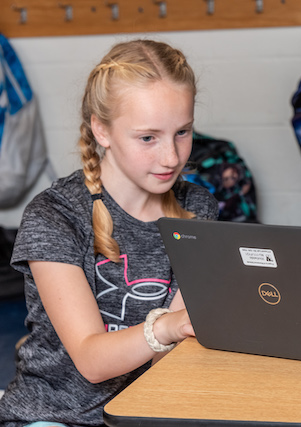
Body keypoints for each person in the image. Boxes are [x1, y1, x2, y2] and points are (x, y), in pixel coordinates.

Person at [0, 39, 218, 426]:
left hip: (149, 414)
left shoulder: (196, 207)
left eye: (182, 132)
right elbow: (92, 361)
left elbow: (173, 356)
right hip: (55, 417)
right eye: (148, 137)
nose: (171, 157)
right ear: (101, 129)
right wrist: (168, 325)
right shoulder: (54, 215)